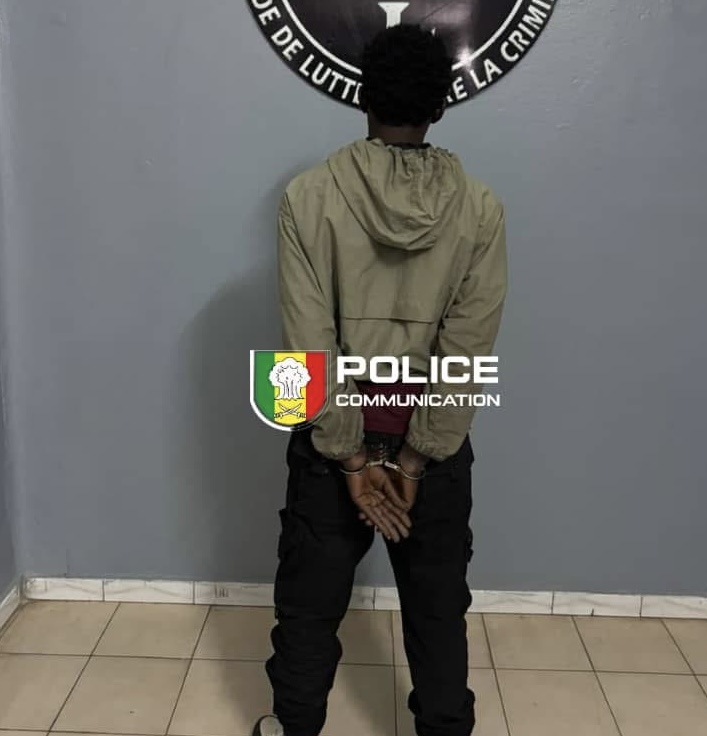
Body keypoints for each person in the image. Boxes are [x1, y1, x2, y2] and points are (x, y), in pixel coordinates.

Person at [256, 23, 508, 736]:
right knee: (437, 612)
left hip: (331, 447)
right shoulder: (480, 208)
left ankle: (292, 728)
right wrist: (418, 457)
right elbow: (469, 346)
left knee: (307, 609)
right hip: (432, 452)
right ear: (440, 107)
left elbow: (305, 346)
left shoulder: (307, 196)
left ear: (362, 97)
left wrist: (350, 457)